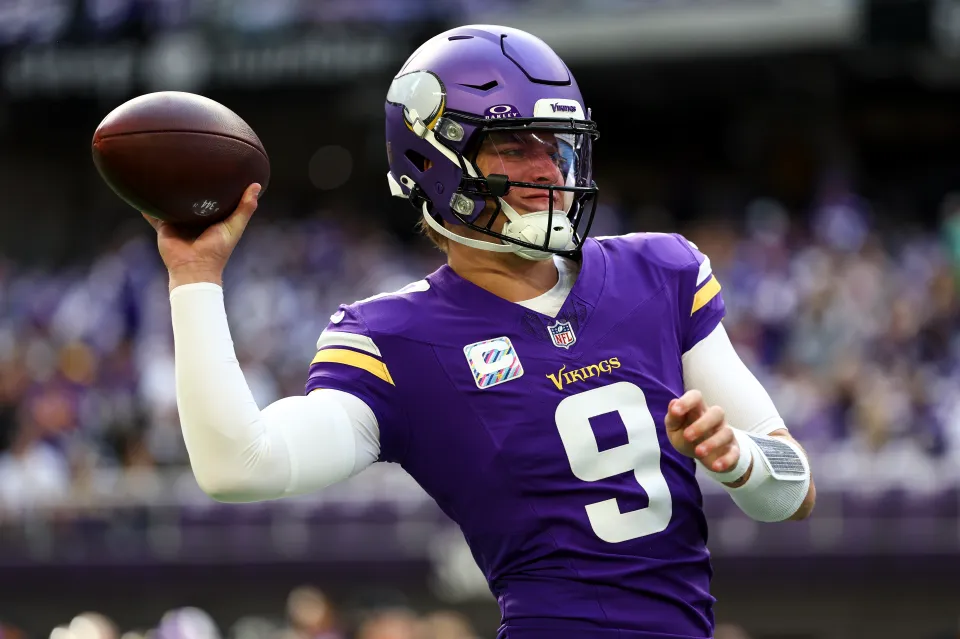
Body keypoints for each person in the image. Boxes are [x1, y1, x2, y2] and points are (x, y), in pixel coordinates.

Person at [143, 25, 815, 639]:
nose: (546, 171)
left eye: (554, 146)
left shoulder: (659, 272)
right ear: (433, 161)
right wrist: (195, 277)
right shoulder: (396, 337)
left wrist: (740, 458)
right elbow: (239, 465)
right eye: (513, 146)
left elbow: (797, 488)